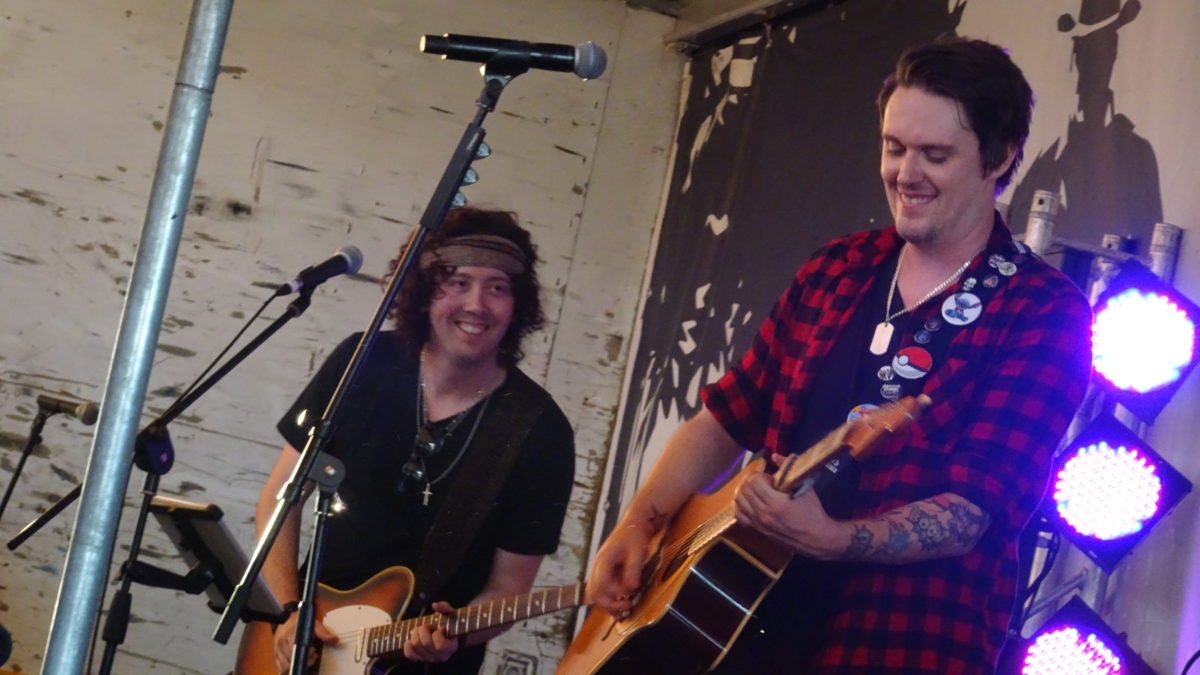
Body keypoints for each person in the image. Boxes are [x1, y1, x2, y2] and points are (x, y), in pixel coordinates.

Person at [585, 37, 1093, 674]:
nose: (905, 173)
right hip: (740, 630)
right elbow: (725, 418)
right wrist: (639, 522)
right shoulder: (839, 268)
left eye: (935, 155)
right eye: (894, 147)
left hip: (897, 643)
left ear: (1001, 156)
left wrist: (835, 539)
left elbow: (974, 511)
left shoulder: (1042, 310)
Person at [254, 208, 575, 674]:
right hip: (306, 649)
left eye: (498, 288)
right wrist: (288, 611)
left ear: (518, 305)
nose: (477, 305)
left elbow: (508, 589)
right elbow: (280, 501)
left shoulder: (541, 431)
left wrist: (455, 633)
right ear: (424, 292)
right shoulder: (361, 362)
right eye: (458, 282)